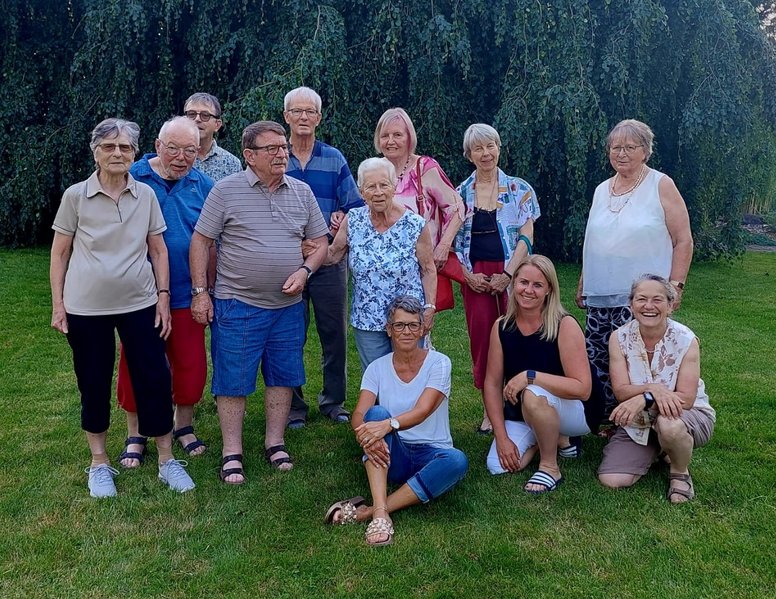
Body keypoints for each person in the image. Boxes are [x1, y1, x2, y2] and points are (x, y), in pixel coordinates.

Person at [50, 118, 195, 497]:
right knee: (93, 382)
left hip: (141, 304)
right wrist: (58, 305)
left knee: (155, 378)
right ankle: (99, 463)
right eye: (109, 147)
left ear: (135, 153)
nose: (118, 153)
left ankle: (167, 460)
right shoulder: (75, 197)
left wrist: (163, 297)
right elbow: (59, 253)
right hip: (86, 308)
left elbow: (158, 249)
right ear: (95, 151)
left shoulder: (145, 195)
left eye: (126, 147)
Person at [189, 121, 329, 484]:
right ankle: (231, 451)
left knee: (283, 375)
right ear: (249, 156)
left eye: (283, 147)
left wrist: (305, 271)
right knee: (232, 380)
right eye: (273, 149)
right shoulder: (225, 191)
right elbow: (201, 242)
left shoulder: (301, 192)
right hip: (238, 303)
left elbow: (320, 242)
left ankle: (275, 442)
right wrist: (201, 292)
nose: (283, 153)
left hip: (287, 307)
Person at [325, 296, 468, 546]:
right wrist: (365, 435)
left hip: (433, 454)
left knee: (457, 460)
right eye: (400, 325)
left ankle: (371, 511)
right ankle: (381, 513)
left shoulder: (440, 362)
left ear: (423, 329)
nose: (407, 331)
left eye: (413, 325)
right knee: (376, 414)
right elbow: (359, 414)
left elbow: (423, 410)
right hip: (392, 455)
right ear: (389, 330)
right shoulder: (377, 368)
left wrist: (387, 426)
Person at [115, 117, 214, 467]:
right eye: (173, 148)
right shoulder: (132, 179)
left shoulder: (205, 185)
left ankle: (182, 426)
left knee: (190, 363)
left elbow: (214, 241)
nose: (181, 156)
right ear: (157, 146)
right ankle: (136, 432)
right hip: (139, 294)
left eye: (190, 150)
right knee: (137, 361)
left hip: (189, 291)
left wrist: (208, 289)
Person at [576, 119, 693, 415]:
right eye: (616, 147)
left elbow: (683, 240)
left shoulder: (660, 184)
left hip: (643, 298)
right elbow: (594, 240)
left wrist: (675, 285)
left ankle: (641, 417)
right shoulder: (602, 189)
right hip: (600, 294)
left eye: (630, 147)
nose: (621, 153)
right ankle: (606, 417)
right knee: (601, 357)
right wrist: (583, 281)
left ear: (646, 151)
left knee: (637, 359)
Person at [283, 86, 364, 429]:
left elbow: (355, 207)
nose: (303, 117)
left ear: (319, 117)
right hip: (286, 261)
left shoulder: (334, 158)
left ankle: (333, 401)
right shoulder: (274, 156)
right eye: (297, 111)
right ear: (286, 116)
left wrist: (339, 230)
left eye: (310, 112)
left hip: (330, 261)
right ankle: (293, 407)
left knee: (334, 334)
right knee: (290, 335)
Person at [483, 255, 598, 494]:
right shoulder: (502, 326)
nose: (528, 290)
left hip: (577, 409)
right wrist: (502, 437)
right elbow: (492, 384)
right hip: (525, 411)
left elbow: (583, 389)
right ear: (514, 284)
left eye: (538, 285)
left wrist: (530, 375)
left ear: (549, 290)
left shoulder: (564, 324)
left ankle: (550, 467)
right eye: (523, 282)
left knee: (532, 393)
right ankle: (551, 438)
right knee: (497, 466)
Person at [598, 275, 715, 503]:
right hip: (639, 421)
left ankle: (680, 471)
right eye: (641, 299)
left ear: (670, 306)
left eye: (657, 300)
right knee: (611, 479)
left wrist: (645, 397)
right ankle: (661, 449)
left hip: (686, 415)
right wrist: (653, 389)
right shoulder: (618, 338)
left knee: (668, 425)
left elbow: (686, 399)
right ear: (631, 305)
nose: (648, 306)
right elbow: (621, 391)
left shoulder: (686, 339)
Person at [455, 123, 541, 434]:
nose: (485, 153)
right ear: (469, 155)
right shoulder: (460, 194)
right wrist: (468, 276)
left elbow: (527, 236)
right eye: (478, 148)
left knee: (520, 335)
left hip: (515, 274)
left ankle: (522, 401)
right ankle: (489, 409)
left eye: (490, 146)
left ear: (499, 148)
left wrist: (508, 275)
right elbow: (450, 242)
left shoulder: (520, 189)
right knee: (483, 342)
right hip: (475, 275)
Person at [325, 157, 437, 370]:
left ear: (394, 186)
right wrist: (308, 247)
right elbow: (332, 255)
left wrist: (429, 307)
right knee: (375, 376)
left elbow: (428, 269)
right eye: (371, 186)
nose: (378, 192)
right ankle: (379, 406)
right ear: (361, 191)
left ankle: (412, 406)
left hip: (408, 319)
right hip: (367, 317)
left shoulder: (415, 224)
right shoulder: (353, 220)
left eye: (384, 185)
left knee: (409, 373)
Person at [374, 107, 465, 310]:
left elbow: (458, 208)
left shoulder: (424, 167)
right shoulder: (375, 169)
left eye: (397, 134)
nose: (390, 141)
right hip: (382, 267)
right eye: (385, 135)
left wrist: (443, 246)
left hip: (420, 267)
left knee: (414, 328)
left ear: (409, 137)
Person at [184, 92, 242, 181]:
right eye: (192, 114)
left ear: (217, 125)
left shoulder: (231, 163)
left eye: (205, 115)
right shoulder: (174, 157)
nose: (197, 119)